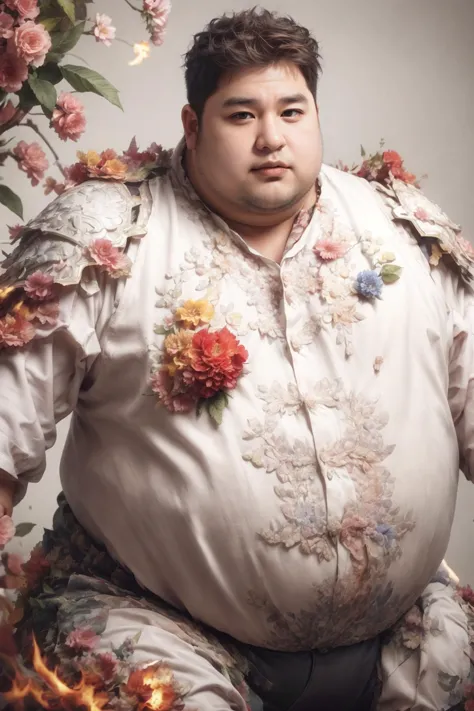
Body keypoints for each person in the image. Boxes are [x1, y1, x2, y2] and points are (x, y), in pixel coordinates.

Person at [0, 7, 473, 711]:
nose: (272, 138)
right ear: (193, 126)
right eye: (241, 115)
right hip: (160, 631)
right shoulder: (104, 238)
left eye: (291, 109)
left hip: (402, 630)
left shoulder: (401, 228)